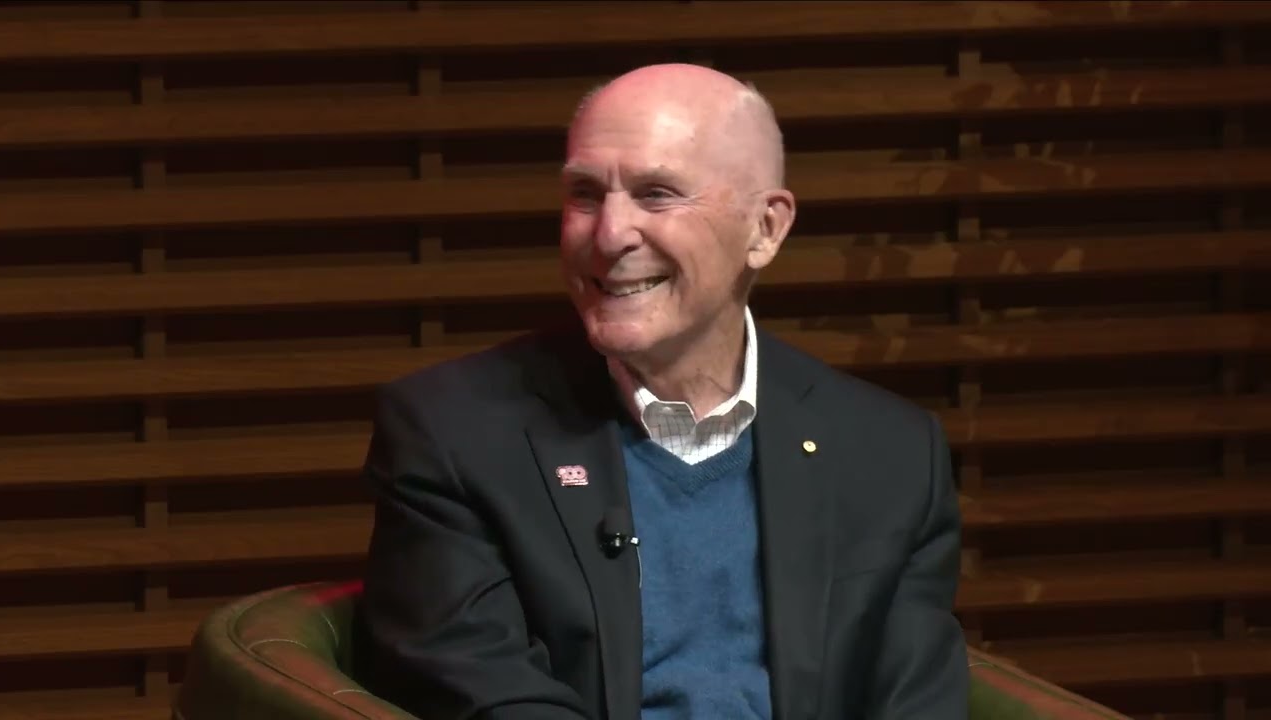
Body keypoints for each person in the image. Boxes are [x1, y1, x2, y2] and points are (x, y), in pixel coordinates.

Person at [354, 63, 968, 720]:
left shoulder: (891, 454)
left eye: (656, 194)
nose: (608, 234)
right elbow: (488, 697)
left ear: (765, 228)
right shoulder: (453, 434)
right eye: (585, 194)